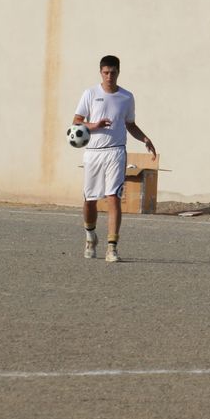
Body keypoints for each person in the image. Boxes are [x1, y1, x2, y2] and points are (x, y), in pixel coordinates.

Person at [73, 55, 156, 263]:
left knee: (114, 197)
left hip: (116, 152)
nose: (109, 76)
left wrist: (145, 138)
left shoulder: (126, 97)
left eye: (113, 72)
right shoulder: (90, 94)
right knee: (90, 200)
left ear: (118, 72)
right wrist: (95, 125)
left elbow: (130, 124)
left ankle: (112, 247)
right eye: (106, 72)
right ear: (100, 72)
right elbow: (76, 122)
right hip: (93, 152)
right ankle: (90, 236)